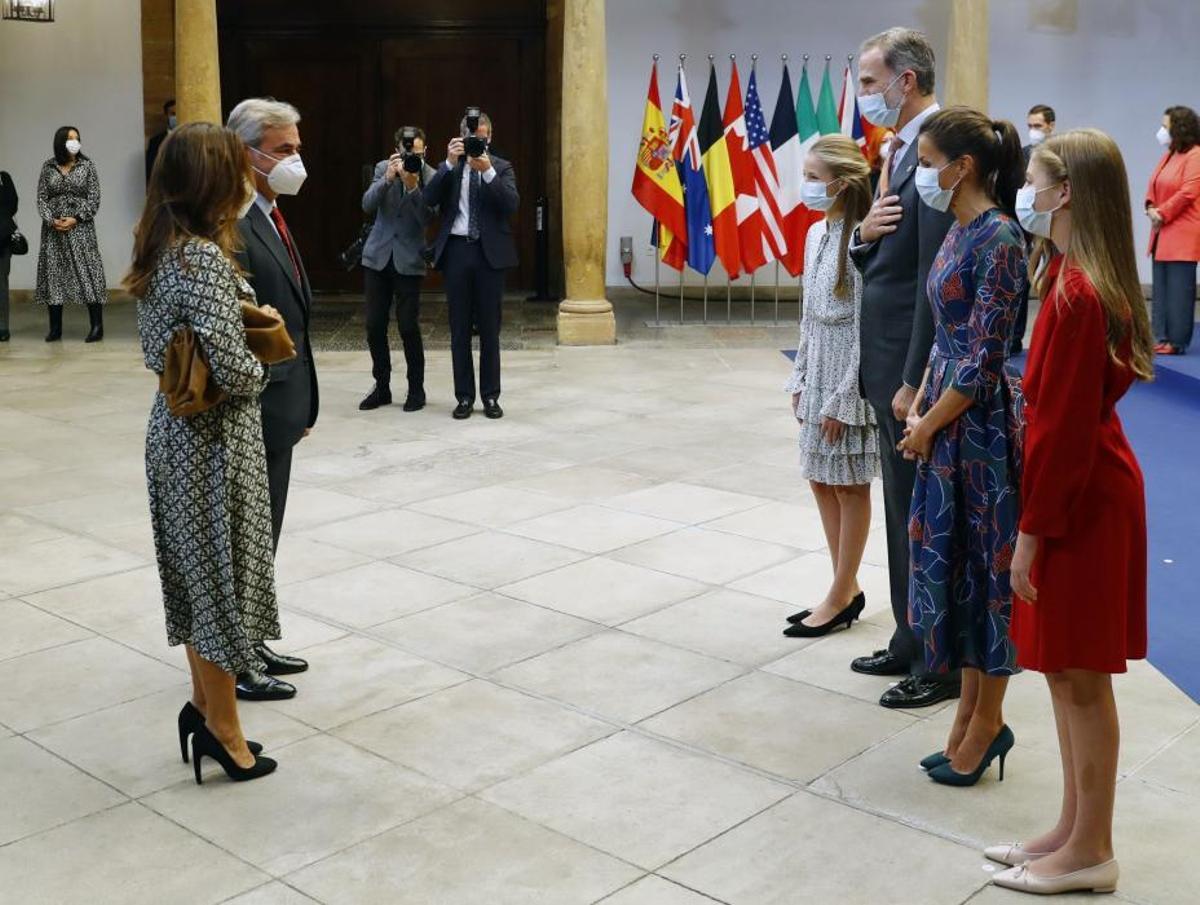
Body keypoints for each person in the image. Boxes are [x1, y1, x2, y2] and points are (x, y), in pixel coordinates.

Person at [992, 128, 1153, 896]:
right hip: (1077, 487)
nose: (1024, 191)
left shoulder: (1080, 291)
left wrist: (1030, 533)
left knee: (1082, 677)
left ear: (1067, 194)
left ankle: (1092, 848)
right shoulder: (1066, 276)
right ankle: (1070, 825)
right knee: (1062, 669)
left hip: (1080, 499)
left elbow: (1057, 427)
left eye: (1034, 179)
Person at [127, 122, 280, 784]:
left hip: (174, 431)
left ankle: (202, 705)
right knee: (220, 582)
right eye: (234, 167)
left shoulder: (161, 247)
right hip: (213, 443)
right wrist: (265, 363)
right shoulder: (204, 258)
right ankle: (224, 727)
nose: (245, 178)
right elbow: (234, 368)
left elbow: (156, 350)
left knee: (195, 580)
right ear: (213, 179)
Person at [898, 107, 1028, 786]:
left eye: (926, 161)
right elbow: (943, 332)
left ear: (963, 166)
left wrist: (928, 422)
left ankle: (987, 721)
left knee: (987, 573)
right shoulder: (958, 229)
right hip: (945, 417)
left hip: (977, 430)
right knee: (954, 570)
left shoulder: (1002, 238)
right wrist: (917, 398)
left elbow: (982, 361)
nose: (922, 173)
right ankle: (970, 714)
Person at [848, 27, 958, 709]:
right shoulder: (897, 149)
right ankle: (908, 636)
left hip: (908, 374)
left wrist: (913, 379)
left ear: (905, 81)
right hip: (884, 357)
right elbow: (887, 255)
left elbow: (931, 279)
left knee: (923, 514)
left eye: (868, 82)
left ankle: (939, 659)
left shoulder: (941, 150)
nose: (864, 95)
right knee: (897, 508)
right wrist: (864, 236)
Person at [226, 97, 317, 701]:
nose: (295, 160)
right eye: (283, 151)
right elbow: (241, 325)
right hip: (253, 409)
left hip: (283, 407)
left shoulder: (272, 213)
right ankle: (235, 658)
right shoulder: (232, 225)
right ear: (248, 154)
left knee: (266, 535)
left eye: (296, 148)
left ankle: (254, 641)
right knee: (243, 539)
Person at [783, 134, 878, 639]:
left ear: (840, 184)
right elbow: (808, 316)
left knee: (848, 482)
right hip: (817, 363)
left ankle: (841, 592)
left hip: (848, 375)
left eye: (815, 178)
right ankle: (846, 585)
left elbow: (867, 325)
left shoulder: (862, 237)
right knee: (819, 477)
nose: (807, 186)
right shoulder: (816, 234)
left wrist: (846, 395)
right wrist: (798, 375)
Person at [423, 109, 519, 419]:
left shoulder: (502, 168)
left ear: (490, 137)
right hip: (457, 251)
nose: (479, 142)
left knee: (490, 328)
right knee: (459, 328)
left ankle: (491, 396)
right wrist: (449, 163)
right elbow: (429, 200)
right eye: (473, 138)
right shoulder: (450, 168)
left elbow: (511, 204)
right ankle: (464, 396)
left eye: (484, 137)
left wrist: (488, 170)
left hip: (489, 254)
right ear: (461, 137)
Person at [359, 125, 437, 412]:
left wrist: (413, 186)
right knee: (374, 326)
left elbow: (427, 218)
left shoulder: (431, 175)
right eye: (407, 151)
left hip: (409, 259)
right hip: (378, 257)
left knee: (408, 326)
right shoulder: (383, 168)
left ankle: (416, 389)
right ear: (397, 150)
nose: (411, 156)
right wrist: (388, 180)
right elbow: (367, 205)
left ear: (424, 150)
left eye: (417, 152)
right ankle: (382, 387)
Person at [35, 126, 107, 343]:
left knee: (89, 273)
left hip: (81, 228)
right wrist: (51, 220)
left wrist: (76, 218)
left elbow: (94, 199)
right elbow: (41, 198)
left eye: (76, 139)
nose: (74, 142)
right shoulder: (48, 167)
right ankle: (55, 328)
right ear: (60, 142)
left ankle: (97, 326)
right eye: (69, 139)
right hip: (53, 229)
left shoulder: (87, 166)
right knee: (54, 274)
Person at [1145, 104, 1200, 356]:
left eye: (1165, 126)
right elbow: (1154, 183)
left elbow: (1188, 192)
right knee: (1162, 289)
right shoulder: (1169, 154)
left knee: (1179, 290)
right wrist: (1150, 207)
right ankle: (1161, 336)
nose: (1161, 131)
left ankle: (1176, 341)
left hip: (1181, 233)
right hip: (1161, 231)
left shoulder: (1195, 155)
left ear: (1179, 128)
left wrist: (1162, 212)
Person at [1011, 104, 1057, 354]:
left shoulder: (1061, 153)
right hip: (1026, 224)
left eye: (1038, 126)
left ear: (1050, 126)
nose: (1033, 131)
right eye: (1029, 126)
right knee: (1021, 281)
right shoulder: (1022, 154)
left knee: (1053, 278)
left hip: (1053, 223)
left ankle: (1051, 337)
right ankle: (1016, 338)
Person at [0, 169, 16, 342]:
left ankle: (3, 327)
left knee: (1, 285)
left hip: (2, 239)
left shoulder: (4, 178)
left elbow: (13, 205)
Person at [145, 99, 177, 183]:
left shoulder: (191, 138)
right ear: (166, 115)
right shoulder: (155, 141)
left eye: (179, 113)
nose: (176, 117)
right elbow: (150, 169)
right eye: (173, 114)